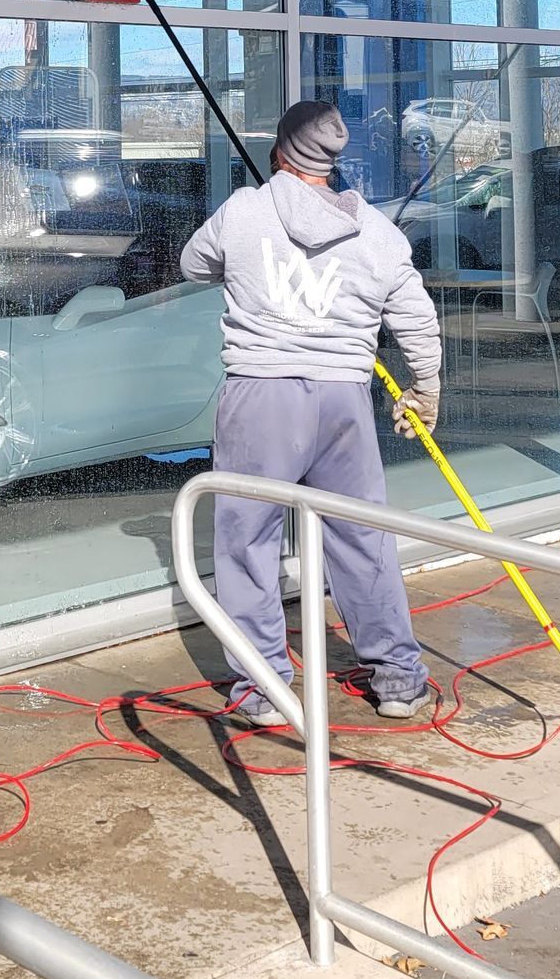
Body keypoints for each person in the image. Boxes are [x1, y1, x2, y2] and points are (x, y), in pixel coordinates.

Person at [178, 99, 442, 727]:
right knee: (362, 536)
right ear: (333, 161)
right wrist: (425, 389)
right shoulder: (377, 231)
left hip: (260, 397)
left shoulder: (243, 211)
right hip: (343, 399)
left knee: (248, 543)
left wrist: (251, 254)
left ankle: (264, 689)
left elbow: (193, 264)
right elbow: (416, 318)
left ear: (279, 153)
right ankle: (398, 680)